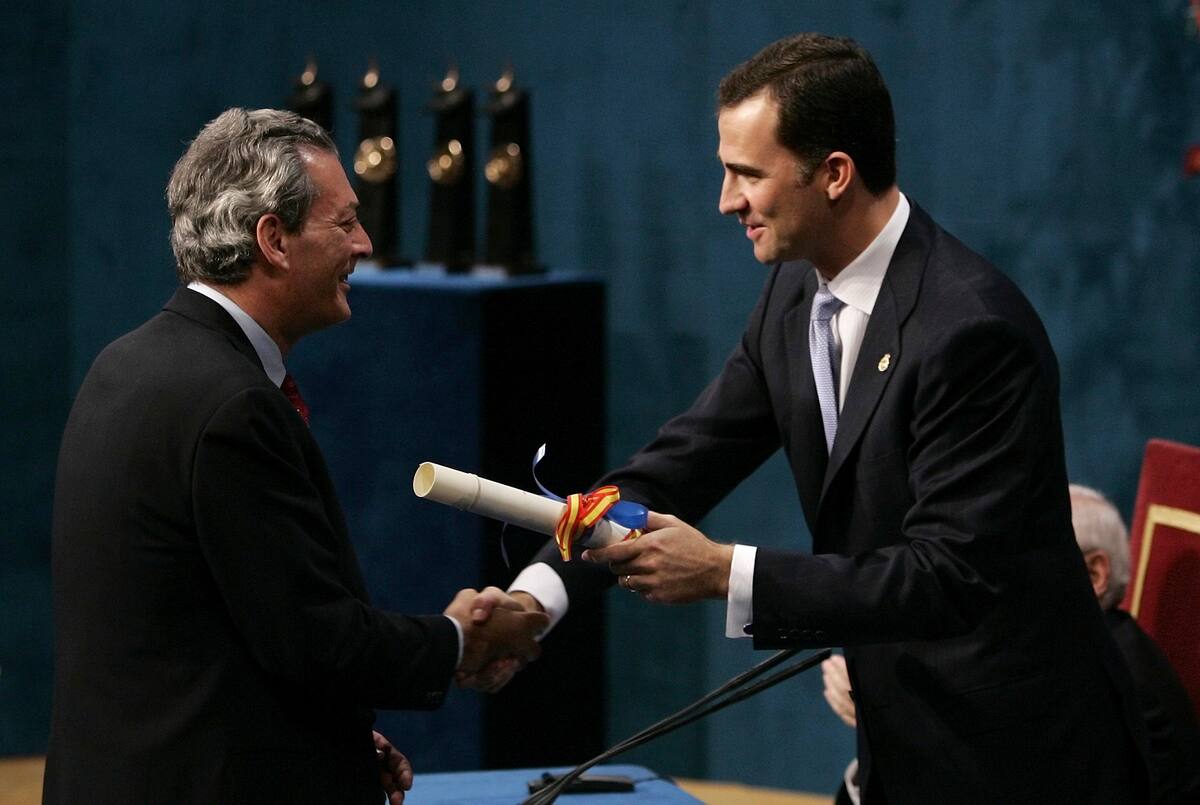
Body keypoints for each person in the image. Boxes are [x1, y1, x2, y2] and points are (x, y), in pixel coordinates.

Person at [467, 33, 1151, 802]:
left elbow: (949, 574)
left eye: (746, 174)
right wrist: (537, 598)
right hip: (899, 742)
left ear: (833, 175)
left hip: (1017, 760)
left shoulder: (973, 329)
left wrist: (726, 572)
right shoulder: (794, 297)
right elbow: (678, 464)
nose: (726, 201)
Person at [44, 108, 547, 805]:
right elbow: (316, 642)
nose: (365, 244)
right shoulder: (232, 406)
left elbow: (191, 637)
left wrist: (331, 745)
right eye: (344, 223)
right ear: (274, 239)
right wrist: (459, 640)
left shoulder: (123, 365)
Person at [824, 483, 1200, 804]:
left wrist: (893, 724)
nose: (991, 588)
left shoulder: (1103, 677)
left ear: (1093, 574)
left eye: (1017, 563)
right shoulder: (1081, 652)